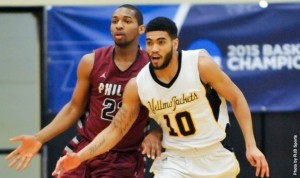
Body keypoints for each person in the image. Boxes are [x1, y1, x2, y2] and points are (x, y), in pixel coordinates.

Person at [52, 17, 270, 178]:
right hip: (174, 160)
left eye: (161, 42)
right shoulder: (138, 84)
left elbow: (237, 98)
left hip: (214, 155)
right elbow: (115, 130)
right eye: (150, 42)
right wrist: (79, 157)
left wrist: (251, 145)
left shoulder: (200, 65)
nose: (154, 49)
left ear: (175, 44)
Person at [5, 4, 162, 178]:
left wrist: (157, 132)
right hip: (84, 148)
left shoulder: (152, 67)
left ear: (141, 29)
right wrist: (39, 138)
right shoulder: (91, 61)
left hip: (123, 155)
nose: (119, 25)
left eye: (127, 21)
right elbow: (74, 107)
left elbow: (171, 110)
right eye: (114, 21)